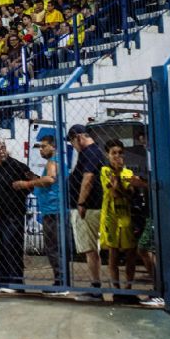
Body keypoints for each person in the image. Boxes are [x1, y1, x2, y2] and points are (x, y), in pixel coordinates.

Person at [0, 139, 36, 288]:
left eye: (3, 147)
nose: (1, 151)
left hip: (13, 214)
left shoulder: (17, 166)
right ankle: (3, 281)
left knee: (12, 246)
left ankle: (16, 282)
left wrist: (21, 192)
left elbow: (32, 184)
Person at [68, 124, 107, 300]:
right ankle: (96, 286)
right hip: (92, 207)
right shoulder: (93, 151)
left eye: (72, 142)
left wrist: (81, 202)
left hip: (89, 208)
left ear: (78, 137)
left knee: (90, 249)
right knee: (92, 249)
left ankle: (96, 288)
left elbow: (88, 178)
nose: (73, 146)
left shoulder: (90, 152)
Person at [20, 136, 65, 287]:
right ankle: (62, 280)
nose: (41, 149)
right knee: (56, 247)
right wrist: (35, 178)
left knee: (53, 247)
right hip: (53, 209)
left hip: (52, 210)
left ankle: (60, 282)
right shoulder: (56, 162)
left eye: (44, 146)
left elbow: (50, 179)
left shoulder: (53, 161)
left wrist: (27, 183)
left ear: (53, 147)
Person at [99, 140, 137, 298]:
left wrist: (119, 184)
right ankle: (116, 288)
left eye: (120, 153)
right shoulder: (105, 171)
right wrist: (118, 182)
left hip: (125, 215)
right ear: (107, 155)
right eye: (113, 153)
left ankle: (128, 287)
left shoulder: (128, 173)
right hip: (111, 216)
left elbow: (130, 194)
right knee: (113, 252)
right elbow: (114, 192)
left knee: (130, 252)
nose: (117, 156)